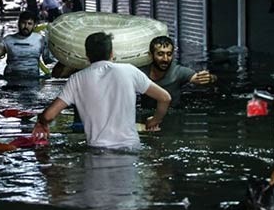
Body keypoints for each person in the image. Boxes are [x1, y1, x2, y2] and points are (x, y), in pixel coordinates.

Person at [32, 32, 171, 148]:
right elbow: (165, 98)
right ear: (112, 53)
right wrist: (155, 120)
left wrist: (41, 123)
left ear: (87, 55)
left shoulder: (77, 79)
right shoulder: (130, 71)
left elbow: (49, 115)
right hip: (130, 148)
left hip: (98, 151)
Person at [141, 36, 217, 109]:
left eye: (169, 54)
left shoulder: (178, 72)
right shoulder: (141, 74)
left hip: (173, 113)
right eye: (160, 54)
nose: (165, 59)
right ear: (151, 55)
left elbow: (197, 78)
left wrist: (210, 78)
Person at [0, 10, 52, 79]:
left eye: (29, 24)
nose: (26, 26)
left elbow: (48, 60)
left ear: (34, 25)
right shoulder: (8, 40)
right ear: (18, 23)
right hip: (11, 78)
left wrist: (50, 40)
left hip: (32, 78)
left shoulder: (40, 39)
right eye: (23, 23)